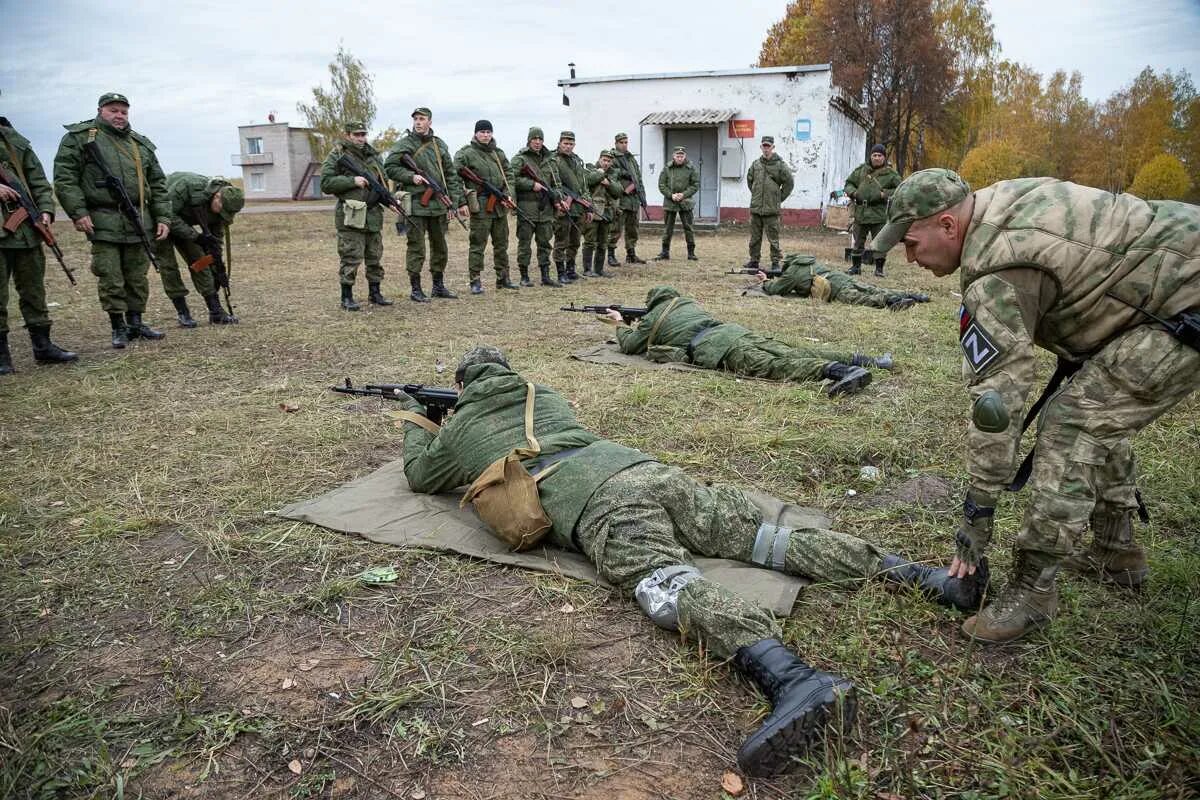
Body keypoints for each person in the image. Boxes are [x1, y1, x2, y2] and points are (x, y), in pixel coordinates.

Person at [395, 345, 987, 777]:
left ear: (463, 386)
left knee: (668, 585)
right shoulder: (539, 393)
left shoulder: (463, 424)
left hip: (598, 503)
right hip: (649, 472)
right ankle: (925, 577)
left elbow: (423, 476)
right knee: (766, 540)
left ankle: (796, 680)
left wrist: (420, 419)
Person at [871, 168, 1200, 643]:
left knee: (1075, 420)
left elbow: (995, 407)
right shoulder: (999, 202)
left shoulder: (996, 268)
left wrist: (977, 514)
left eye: (911, 242)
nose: (909, 257)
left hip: (1186, 305)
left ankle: (1033, 589)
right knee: (1098, 397)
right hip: (1168, 293)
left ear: (947, 225)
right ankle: (1115, 549)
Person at [604, 286, 888, 396]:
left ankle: (838, 371)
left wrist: (619, 323)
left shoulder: (654, 319)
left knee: (775, 365)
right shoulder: (686, 302)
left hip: (716, 348)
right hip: (735, 331)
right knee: (794, 349)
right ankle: (866, 359)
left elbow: (630, 346)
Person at [53, 92, 171, 348]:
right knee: (111, 275)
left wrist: (163, 216)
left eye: (124, 112)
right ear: (100, 110)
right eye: (113, 110)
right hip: (102, 219)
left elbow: (159, 184)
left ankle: (136, 322)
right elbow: (65, 179)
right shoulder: (80, 138)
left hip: (138, 220)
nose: (119, 116)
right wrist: (78, 211)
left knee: (137, 275)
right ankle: (118, 326)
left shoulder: (140, 145)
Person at [0, 116, 77, 373]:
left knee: (34, 291)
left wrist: (45, 209)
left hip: (25, 231)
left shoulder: (14, 139)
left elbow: (38, 179)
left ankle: (43, 347)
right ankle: (1, 357)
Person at [384, 107, 468, 303]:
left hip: (438, 205)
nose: (418, 122)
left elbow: (451, 175)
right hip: (416, 204)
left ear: (430, 122)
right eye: (416, 119)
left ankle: (438, 286)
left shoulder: (439, 145)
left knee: (440, 247)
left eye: (422, 119)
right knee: (417, 247)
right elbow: (389, 167)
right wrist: (410, 176)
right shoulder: (404, 144)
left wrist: (453, 203)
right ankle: (416, 288)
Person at [320, 121, 393, 311]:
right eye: (356, 135)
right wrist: (352, 181)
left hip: (373, 215)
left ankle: (375, 293)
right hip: (351, 216)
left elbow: (382, 184)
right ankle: (347, 297)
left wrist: (391, 201)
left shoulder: (374, 156)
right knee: (351, 256)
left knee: (374, 257)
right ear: (348, 135)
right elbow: (326, 183)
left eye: (363, 134)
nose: (360, 138)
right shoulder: (337, 155)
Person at [156, 172, 243, 326]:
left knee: (201, 262)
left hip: (183, 224)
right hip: (161, 222)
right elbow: (167, 214)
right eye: (222, 210)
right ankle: (183, 312)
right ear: (217, 196)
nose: (223, 215)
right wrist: (196, 237)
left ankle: (215, 311)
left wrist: (216, 263)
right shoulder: (187, 185)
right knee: (168, 266)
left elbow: (216, 238)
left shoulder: (225, 204)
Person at [453, 120, 518, 294]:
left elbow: (509, 175)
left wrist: (508, 193)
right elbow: (455, 177)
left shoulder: (498, 153)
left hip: (499, 205)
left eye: (488, 132)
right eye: (482, 132)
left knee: (501, 244)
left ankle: (503, 278)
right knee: (478, 244)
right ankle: (475, 281)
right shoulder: (465, 154)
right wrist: (461, 201)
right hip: (480, 204)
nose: (486, 135)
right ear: (475, 134)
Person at [751, 253, 930, 311]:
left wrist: (766, 280)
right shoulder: (807, 261)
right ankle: (913, 296)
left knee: (866, 299)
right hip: (841, 278)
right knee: (873, 288)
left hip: (837, 289)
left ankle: (892, 302)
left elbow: (776, 289)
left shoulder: (792, 272)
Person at [509, 127, 557, 287]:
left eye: (540, 139)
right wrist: (531, 184)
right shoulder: (519, 159)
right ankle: (524, 276)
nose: (537, 142)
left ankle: (545, 275)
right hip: (527, 208)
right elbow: (511, 179)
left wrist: (558, 198)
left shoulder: (550, 160)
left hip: (545, 209)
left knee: (545, 243)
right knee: (525, 243)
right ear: (529, 140)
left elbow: (557, 183)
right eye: (534, 139)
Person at [844, 144, 901, 278]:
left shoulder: (891, 174)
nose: (876, 158)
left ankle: (879, 269)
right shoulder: (861, 170)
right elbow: (849, 183)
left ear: (884, 157)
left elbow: (900, 189)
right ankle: (855, 267)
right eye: (874, 155)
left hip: (878, 212)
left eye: (879, 155)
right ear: (870, 156)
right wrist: (854, 193)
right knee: (858, 241)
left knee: (879, 242)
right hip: (861, 212)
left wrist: (884, 194)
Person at [745, 136, 794, 272]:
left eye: (768, 146)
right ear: (761, 147)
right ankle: (754, 261)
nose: (766, 148)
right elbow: (750, 181)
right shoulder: (755, 164)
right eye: (764, 146)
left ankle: (775, 263)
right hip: (756, 208)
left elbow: (789, 183)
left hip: (771, 210)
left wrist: (777, 199)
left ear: (773, 147)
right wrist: (756, 194)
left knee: (773, 238)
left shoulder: (780, 165)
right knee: (755, 237)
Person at [547, 131, 588, 284]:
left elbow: (583, 185)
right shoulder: (553, 160)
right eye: (565, 143)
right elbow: (552, 184)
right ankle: (560, 272)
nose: (568, 146)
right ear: (559, 143)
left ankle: (570, 269)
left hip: (578, 208)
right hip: (563, 207)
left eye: (571, 144)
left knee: (575, 241)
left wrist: (588, 205)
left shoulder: (577, 161)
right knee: (561, 241)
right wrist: (562, 199)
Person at [580, 149, 622, 277]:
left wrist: (608, 183)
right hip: (594, 211)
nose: (606, 163)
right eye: (604, 160)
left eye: (609, 161)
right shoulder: (591, 170)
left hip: (607, 213)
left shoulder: (613, 175)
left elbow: (618, 191)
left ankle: (599, 269)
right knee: (590, 241)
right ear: (599, 160)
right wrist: (600, 174)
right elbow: (589, 181)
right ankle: (587, 269)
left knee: (603, 242)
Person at [607, 133, 648, 266]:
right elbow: (610, 173)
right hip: (621, 199)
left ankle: (631, 254)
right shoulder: (612, 158)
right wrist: (624, 174)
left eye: (626, 142)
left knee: (633, 229)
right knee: (616, 228)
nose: (624, 145)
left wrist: (643, 196)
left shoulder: (631, 159)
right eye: (621, 142)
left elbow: (638, 179)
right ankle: (611, 254)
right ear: (616, 143)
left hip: (633, 200)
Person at [654, 146, 700, 262]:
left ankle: (691, 253)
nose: (679, 158)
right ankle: (665, 252)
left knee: (688, 228)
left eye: (682, 156)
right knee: (667, 228)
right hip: (670, 202)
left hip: (686, 202)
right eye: (677, 156)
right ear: (673, 156)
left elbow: (695, 184)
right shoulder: (667, 168)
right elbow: (662, 184)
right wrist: (671, 195)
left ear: (685, 156)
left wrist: (684, 195)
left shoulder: (691, 168)